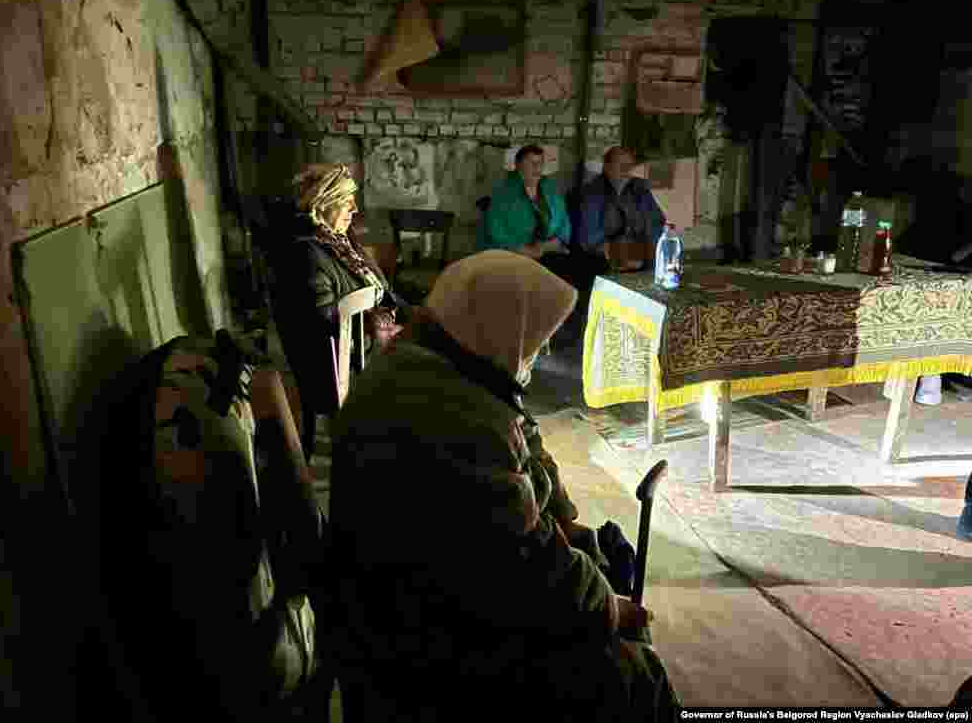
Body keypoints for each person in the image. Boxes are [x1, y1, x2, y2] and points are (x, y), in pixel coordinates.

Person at [327, 250, 681, 720]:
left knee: (597, 558)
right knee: (632, 672)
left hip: (421, 608)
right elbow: (525, 569)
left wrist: (566, 524)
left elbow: (524, 450)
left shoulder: (441, 367)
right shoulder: (452, 411)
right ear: (496, 325)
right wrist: (610, 611)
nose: (540, 351)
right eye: (535, 339)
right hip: (422, 649)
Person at [268, 163, 408, 455]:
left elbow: (383, 292)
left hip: (363, 351)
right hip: (335, 368)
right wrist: (375, 322)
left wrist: (419, 314)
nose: (354, 209)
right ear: (322, 205)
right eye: (346, 201)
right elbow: (320, 323)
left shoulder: (341, 241)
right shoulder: (304, 253)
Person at [477, 144, 576, 283]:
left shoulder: (549, 188)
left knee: (571, 274)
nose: (537, 168)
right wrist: (524, 250)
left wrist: (556, 241)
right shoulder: (503, 193)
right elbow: (495, 231)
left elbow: (564, 220)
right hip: (515, 254)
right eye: (532, 163)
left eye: (540, 163)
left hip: (548, 250)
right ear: (518, 165)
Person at [572, 145, 667, 275]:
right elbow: (588, 238)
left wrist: (649, 252)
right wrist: (614, 251)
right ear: (607, 166)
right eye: (620, 164)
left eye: (629, 166)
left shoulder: (639, 188)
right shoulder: (592, 192)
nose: (626, 170)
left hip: (642, 259)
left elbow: (657, 222)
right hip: (607, 262)